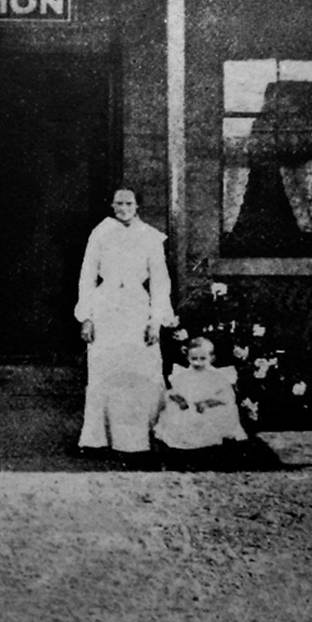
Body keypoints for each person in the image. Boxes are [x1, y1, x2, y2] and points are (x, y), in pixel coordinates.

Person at [75, 188, 175, 458]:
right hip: (105, 306)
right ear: (111, 204)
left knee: (141, 369)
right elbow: (86, 276)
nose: (123, 207)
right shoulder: (100, 233)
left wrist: (156, 321)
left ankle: (143, 438)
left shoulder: (150, 237)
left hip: (136, 307)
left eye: (128, 203)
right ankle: (97, 439)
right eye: (118, 203)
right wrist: (87, 317)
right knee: (105, 370)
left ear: (137, 205)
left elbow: (160, 281)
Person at [155, 336, 248, 450]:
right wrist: (180, 400)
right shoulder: (183, 376)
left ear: (212, 358)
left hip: (207, 408)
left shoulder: (217, 377)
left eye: (202, 358)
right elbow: (172, 393)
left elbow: (225, 397)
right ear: (188, 358)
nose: (198, 363)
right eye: (194, 358)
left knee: (215, 416)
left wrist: (207, 403)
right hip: (187, 409)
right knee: (175, 414)